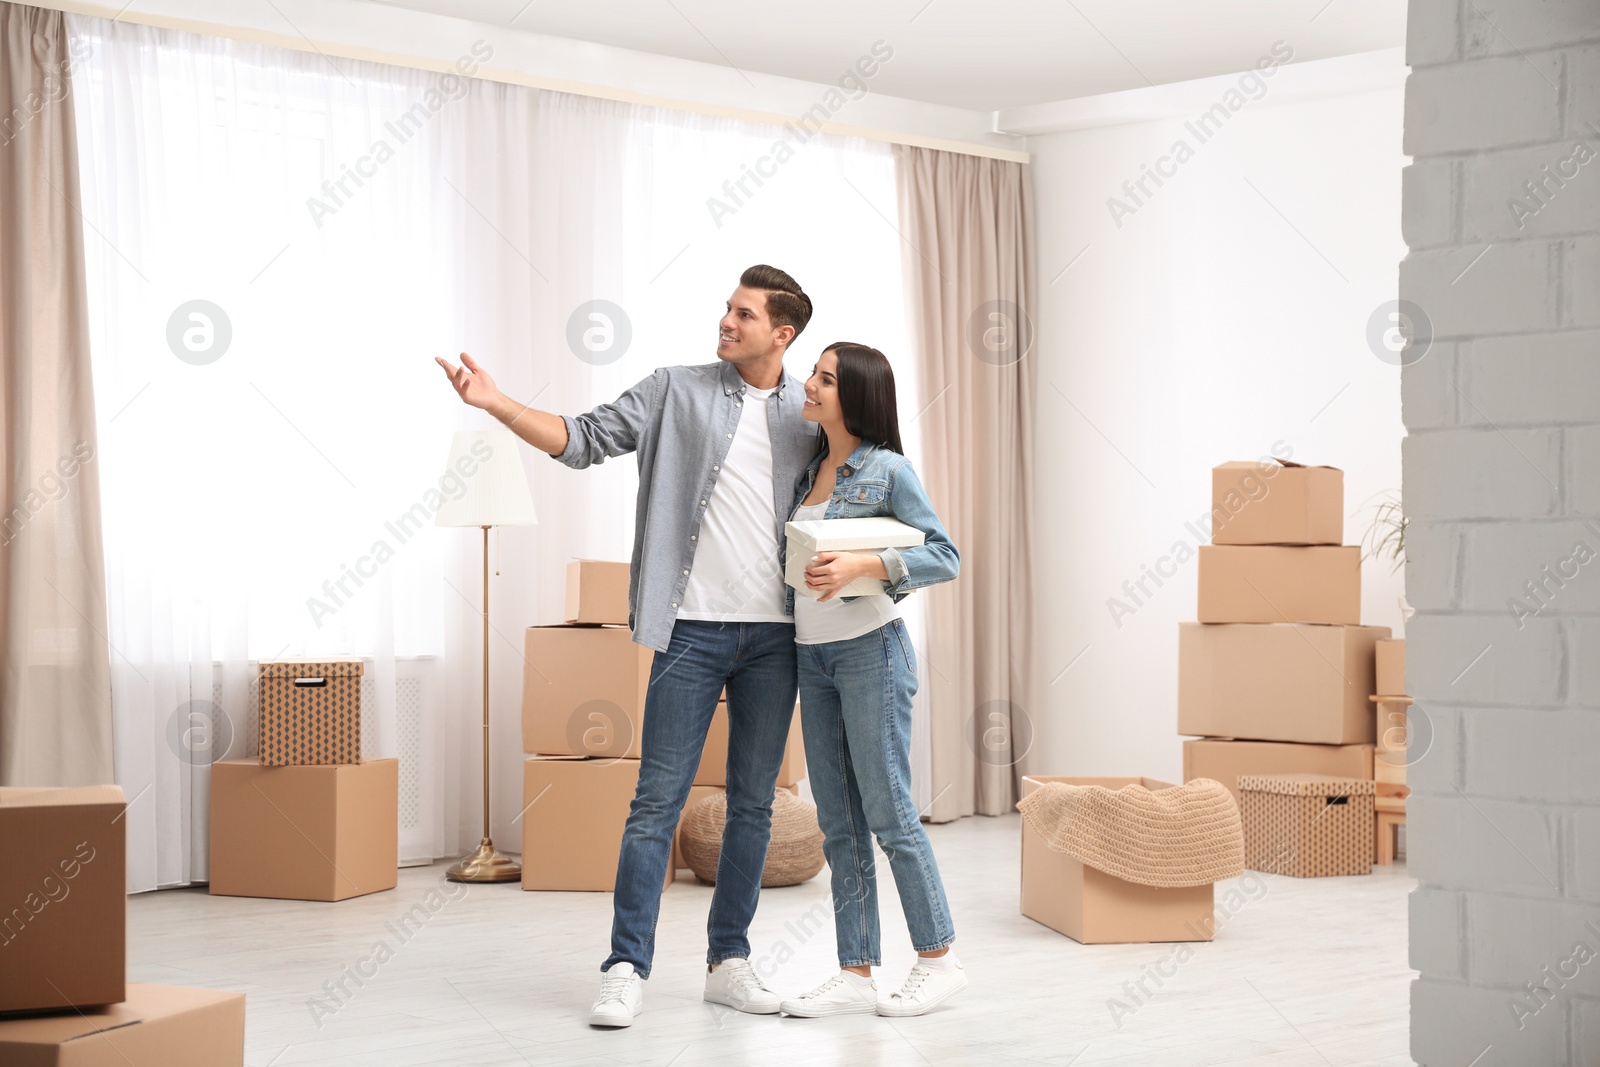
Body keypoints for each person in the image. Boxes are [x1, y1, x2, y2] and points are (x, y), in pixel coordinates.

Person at [436, 265, 817, 1028]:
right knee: (655, 802)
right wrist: (495, 403)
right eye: (727, 309)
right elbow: (583, 439)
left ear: (784, 333)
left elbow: (856, 487)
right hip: (689, 631)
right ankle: (624, 963)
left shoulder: (810, 417)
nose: (726, 321)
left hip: (778, 638)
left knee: (753, 804)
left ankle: (729, 962)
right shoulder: (676, 388)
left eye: (744, 314)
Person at [774, 342, 965, 1019]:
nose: (811, 384)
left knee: (888, 813)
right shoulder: (809, 470)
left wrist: (864, 566)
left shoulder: (886, 469)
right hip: (812, 657)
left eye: (825, 378)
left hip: (871, 651)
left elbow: (945, 555)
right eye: (814, 374)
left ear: (854, 394)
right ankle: (855, 970)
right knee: (839, 824)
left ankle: (938, 958)